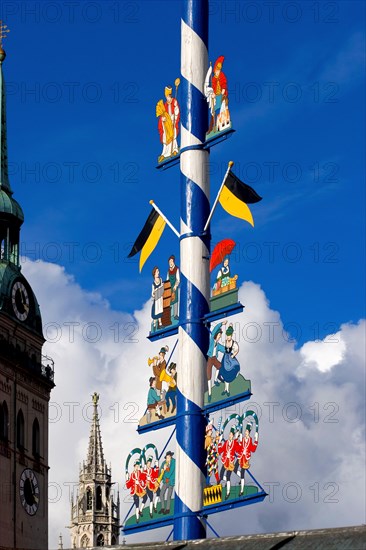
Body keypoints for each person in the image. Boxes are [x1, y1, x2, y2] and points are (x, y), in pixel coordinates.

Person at [157, 86, 180, 163]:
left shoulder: (174, 101)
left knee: (173, 136)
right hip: (167, 123)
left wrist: (175, 115)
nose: (167, 98)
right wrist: (163, 119)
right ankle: (164, 153)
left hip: (173, 121)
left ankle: (174, 149)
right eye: (166, 96)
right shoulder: (165, 105)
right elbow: (163, 114)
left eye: (168, 96)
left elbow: (177, 110)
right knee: (166, 137)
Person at [235, 423, 258, 496]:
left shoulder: (250, 440)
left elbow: (253, 449)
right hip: (240, 457)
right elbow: (238, 448)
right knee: (234, 469)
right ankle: (241, 480)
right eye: (245, 431)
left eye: (247, 432)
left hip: (245, 459)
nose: (245, 433)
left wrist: (256, 440)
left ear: (249, 432)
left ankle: (241, 490)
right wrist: (237, 438)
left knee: (242, 473)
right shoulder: (243, 439)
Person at [207, 320, 227, 402]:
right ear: (215, 335)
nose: (219, 337)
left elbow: (223, 349)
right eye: (219, 335)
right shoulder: (212, 340)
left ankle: (216, 380)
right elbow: (214, 329)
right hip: (209, 358)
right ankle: (209, 394)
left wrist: (230, 351)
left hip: (214, 358)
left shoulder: (218, 345)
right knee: (208, 376)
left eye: (220, 336)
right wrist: (221, 324)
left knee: (220, 366)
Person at [218, 324, 240, 397]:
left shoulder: (234, 343)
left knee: (230, 372)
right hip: (225, 359)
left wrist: (233, 355)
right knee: (224, 372)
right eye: (227, 336)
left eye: (229, 336)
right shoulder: (225, 342)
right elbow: (222, 348)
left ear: (231, 335)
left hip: (231, 359)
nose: (228, 337)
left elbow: (236, 350)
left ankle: (227, 390)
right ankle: (225, 389)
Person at [218, 427, 239, 499]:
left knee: (228, 477)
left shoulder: (235, 443)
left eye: (231, 434)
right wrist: (220, 441)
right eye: (229, 434)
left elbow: (238, 449)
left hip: (230, 462)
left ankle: (228, 492)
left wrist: (238, 438)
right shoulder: (226, 442)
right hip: (225, 461)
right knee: (221, 475)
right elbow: (220, 450)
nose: (230, 435)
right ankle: (224, 483)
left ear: (233, 436)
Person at [166, 255, 180, 321]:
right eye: (169, 262)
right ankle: (170, 316)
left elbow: (178, 279)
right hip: (169, 287)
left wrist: (175, 286)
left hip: (174, 287)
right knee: (169, 301)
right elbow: (167, 279)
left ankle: (175, 315)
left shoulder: (176, 269)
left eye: (171, 261)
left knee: (175, 300)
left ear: (173, 261)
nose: (170, 263)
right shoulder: (168, 271)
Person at [151, 267, 164, 331]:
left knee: (160, 310)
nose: (158, 273)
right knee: (155, 311)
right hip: (156, 299)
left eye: (158, 271)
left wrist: (162, 287)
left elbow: (163, 286)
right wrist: (155, 292)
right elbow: (152, 293)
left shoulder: (161, 280)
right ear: (154, 274)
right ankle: (154, 324)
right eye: (157, 272)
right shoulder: (153, 283)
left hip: (160, 298)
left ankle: (160, 323)